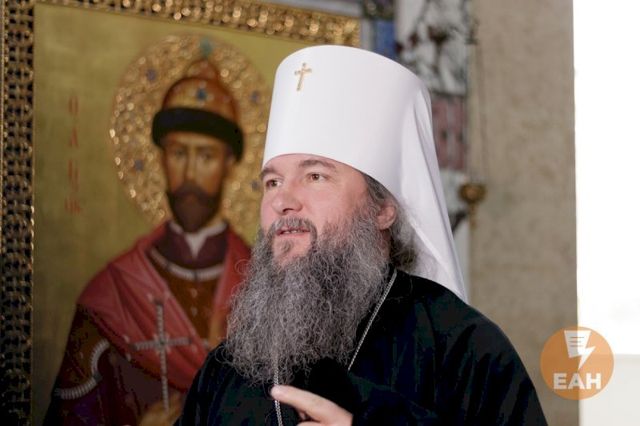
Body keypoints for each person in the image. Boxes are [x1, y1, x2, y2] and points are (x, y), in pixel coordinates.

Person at [175, 46, 547, 425]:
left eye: (315, 176)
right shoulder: (225, 370)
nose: (282, 201)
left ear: (382, 208)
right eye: (272, 182)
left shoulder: (463, 348)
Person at [45, 59, 251, 424]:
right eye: (178, 153)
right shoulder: (113, 293)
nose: (189, 173)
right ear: (160, 159)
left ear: (230, 165)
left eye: (206, 156)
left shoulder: (259, 280)